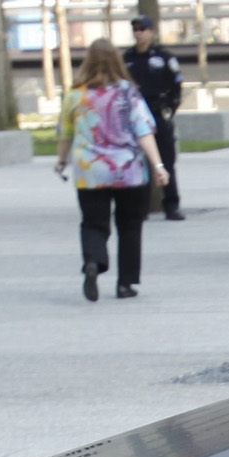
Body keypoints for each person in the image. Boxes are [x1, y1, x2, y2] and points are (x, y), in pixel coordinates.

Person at [52, 38, 165, 299]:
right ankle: (126, 283)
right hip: (129, 171)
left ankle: (94, 262)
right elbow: (143, 130)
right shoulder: (128, 92)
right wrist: (158, 165)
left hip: (90, 172)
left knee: (93, 223)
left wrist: (61, 160)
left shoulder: (76, 95)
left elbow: (65, 133)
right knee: (130, 226)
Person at [123, 16, 186, 220]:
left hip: (158, 112)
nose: (139, 33)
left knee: (166, 160)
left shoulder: (163, 57)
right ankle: (141, 207)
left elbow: (176, 84)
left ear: (151, 32)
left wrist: (170, 107)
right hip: (134, 116)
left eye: (143, 29)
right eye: (136, 29)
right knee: (138, 161)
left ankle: (171, 205)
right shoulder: (127, 58)